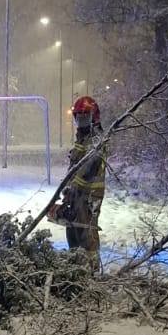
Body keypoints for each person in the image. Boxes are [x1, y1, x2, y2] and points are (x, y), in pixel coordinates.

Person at [52, 95, 106, 269]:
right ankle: (76, 271)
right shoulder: (81, 140)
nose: (82, 122)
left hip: (90, 195)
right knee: (73, 231)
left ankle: (91, 272)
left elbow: (87, 167)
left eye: (85, 118)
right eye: (79, 118)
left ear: (94, 117)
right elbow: (73, 169)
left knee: (86, 233)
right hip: (76, 194)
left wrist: (74, 189)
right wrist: (68, 191)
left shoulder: (96, 139)